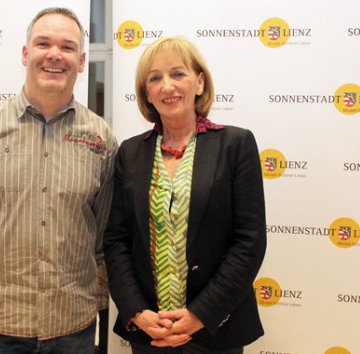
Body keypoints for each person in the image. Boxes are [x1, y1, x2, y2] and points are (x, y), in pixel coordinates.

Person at [0, 7, 117, 354]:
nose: (55, 54)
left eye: (67, 47)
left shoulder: (101, 139)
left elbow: (101, 232)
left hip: (73, 326)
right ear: (26, 54)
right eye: (43, 44)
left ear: (82, 61)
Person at [103, 36, 266, 354]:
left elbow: (249, 241)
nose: (167, 86)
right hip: (151, 331)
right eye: (155, 78)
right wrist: (138, 312)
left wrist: (199, 315)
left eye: (178, 74)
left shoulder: (235, 145)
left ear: (200, 82)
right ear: (146, 92)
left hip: (215, 329)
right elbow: (116, 242)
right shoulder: (130, 152)